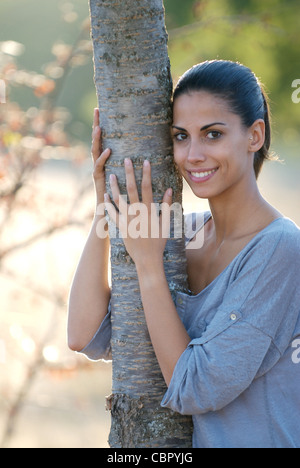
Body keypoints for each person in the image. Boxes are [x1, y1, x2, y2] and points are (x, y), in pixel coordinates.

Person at [68, 60, 300, 448]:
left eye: (212, 134)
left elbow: (196, 388)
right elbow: (85, 334)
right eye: (180, 136)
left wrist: (148, 268)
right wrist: (104, 207)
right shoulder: (183, 233)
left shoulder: (279, 249)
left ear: (254, 135)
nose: (192, 155)